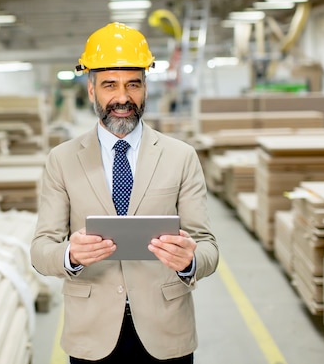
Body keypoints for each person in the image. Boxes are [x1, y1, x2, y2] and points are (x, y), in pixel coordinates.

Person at [30, 22, 219, 363]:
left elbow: (208, 247)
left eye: (133, 84)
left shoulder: (180, 156)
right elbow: (41, 249)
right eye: (109, 85)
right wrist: (70, 255)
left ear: (146, 87)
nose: (122, 98)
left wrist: (190, 262)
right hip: (92, 332)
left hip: (165, 331)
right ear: (91, 90)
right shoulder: (61, 160)